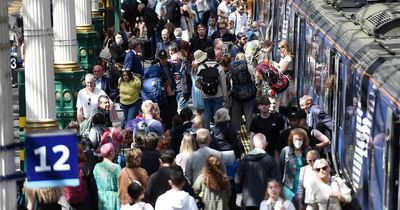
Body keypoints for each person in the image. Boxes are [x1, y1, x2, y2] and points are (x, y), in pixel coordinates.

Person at [236, 133, 279, 209]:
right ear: (266, 144)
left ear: (253, 144)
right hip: (266, 200)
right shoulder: (270, 160)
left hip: (248, 200)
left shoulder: (244, 160)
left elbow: (237, 180)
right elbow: (275, 180)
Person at [194, 48, 228, 129]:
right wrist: (225, 97)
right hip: (218, 95)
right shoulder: (219, 67)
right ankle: (217, 135)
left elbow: (196, 82)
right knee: (217, 117)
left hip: (206, 96)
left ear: (207, 56)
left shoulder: (201, 67)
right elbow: (223, 84)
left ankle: (206, 135)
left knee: (207, 117)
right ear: (214, 57)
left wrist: (203, 88)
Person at [280, 128, 310, 202]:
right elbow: (281, 167)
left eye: (300, 139)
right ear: (291, 140)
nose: (298, 141)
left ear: (304, 140)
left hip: (303, 187)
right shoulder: (285, 151)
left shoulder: (307, 151)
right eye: (296, 139)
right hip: (288, 188)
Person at [93, 143, 121, 210]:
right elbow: (120, 185)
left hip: (101, 198)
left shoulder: (97, 166)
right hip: (113, 199)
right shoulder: (116, 167)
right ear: (111, 152)